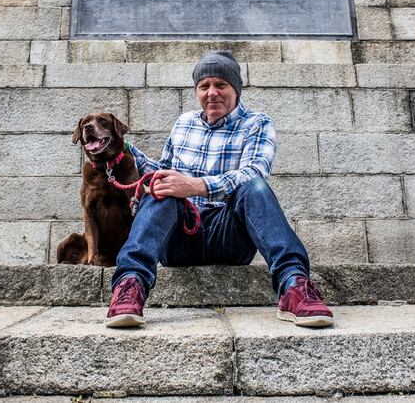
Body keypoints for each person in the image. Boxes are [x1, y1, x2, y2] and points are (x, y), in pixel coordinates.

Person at [106, 50, 334, 328]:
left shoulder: (257, 123)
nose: (212, 92)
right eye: (204, 86)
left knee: (256, 188)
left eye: (220, 85)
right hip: (180, 240)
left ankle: (294, 286)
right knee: (161, 190)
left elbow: (253, 171)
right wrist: (125, 152)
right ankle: (130, 285)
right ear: (197, 92)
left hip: (230, 238)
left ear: (236, 90)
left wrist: (194, 186)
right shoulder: (184, 124)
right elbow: (163, 171)